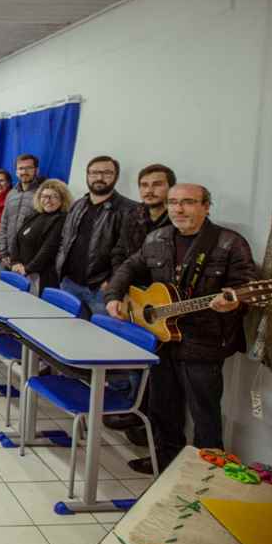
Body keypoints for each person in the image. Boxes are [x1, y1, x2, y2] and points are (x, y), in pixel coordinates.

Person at [105, 184, 256, 475]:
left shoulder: (229, 242)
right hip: (163, 339)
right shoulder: (157, 238)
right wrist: (114, 295)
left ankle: (204, 473)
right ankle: (166, 461)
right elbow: (128, 267)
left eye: (188, 202)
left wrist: (233, 302)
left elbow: (246, 287)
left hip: (204, 342)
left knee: (205, 413)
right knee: (164, 407)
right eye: (174, 202)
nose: (179, 209)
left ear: (206, 206)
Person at [102, 164, 175, 439]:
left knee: (160, 374)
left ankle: (154, 433)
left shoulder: (174, 222)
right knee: (138, 363)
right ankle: (137, 415)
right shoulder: (134, 215)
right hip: (133, 297)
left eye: (157, 184)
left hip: (161, 303)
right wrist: (120, 285)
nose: (149, 190)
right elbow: (121, 253)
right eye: (145, 185)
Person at [55, 156, 137, 317]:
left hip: (101, 290)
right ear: (87, 175)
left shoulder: (129, 210)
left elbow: (130, 254)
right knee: (64, 332)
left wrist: (114, 283)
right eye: (94, 173)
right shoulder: (78, 204)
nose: (99, 178)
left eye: (106, 173)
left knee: (98, 338)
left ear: (116, 176)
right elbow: (65, 239)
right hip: (69, 283)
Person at [10, 180, 71, 293]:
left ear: (63, 200)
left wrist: (28, 269)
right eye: (45, 196)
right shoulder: (34, 215)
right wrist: (15, 261)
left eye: (54, 197)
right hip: (21, 271)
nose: (48, 200)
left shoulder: (61, 219)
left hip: (40, 276)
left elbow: (48, 249)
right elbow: (17, 239)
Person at [0, 153, 45, 270]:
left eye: (28, 168)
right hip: (8, 256)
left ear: (36, 170)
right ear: (16, 171)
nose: (24, 171)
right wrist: (3, 252)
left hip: (28, 260)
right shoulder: (11, 193)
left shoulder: (43, 194)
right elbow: (4, 222)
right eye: (21, 168)